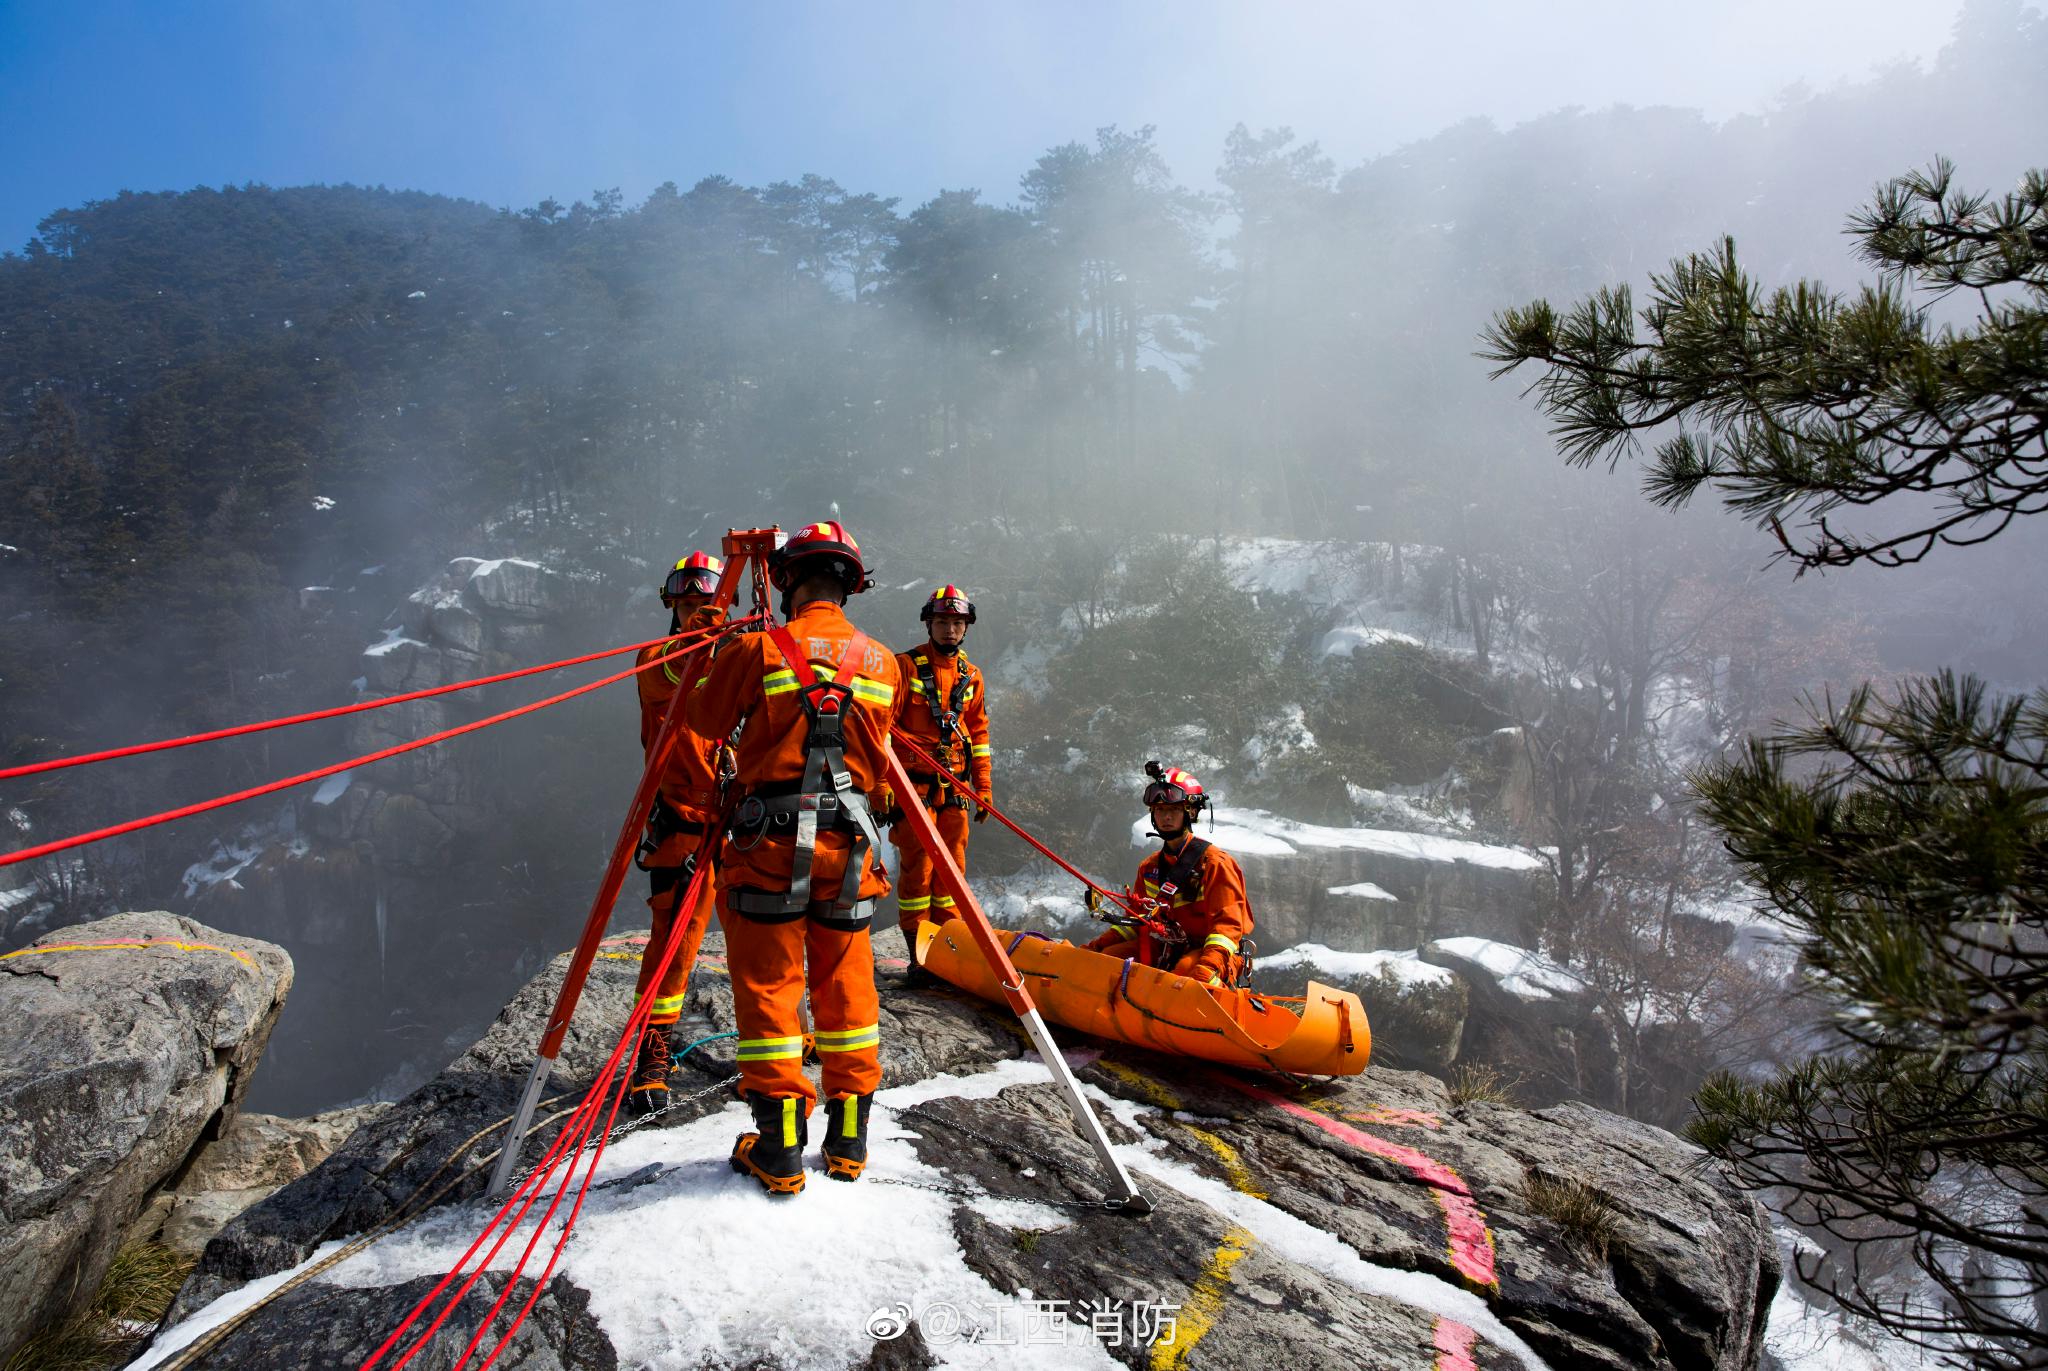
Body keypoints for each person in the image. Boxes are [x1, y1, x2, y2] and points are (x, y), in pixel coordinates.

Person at [685, 520, 900, 1195]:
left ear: (785, 582)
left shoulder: (756, 649)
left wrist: (712, 644)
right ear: (849, 585)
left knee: (770, 989)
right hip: (848, 852)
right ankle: (848, 1141)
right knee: (847, 987)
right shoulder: (883, 662)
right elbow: (877, 753)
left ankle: (779, 1148)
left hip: (769, 849)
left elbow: (702, 720)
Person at [627, 552, 728, 1115]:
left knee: (767, 937)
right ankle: (652, 1055)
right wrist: (703, 640)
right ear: (672, 607)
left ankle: (780, 1046)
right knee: (674, 942)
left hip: (744, 818)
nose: (694, 612)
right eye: (686, 604)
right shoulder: (659, 659)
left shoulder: (737, 658)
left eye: (703, 604)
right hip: (684, 824)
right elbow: (666, 676)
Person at [888, 585, 993, 954]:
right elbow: (882, 727)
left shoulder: (972, 675)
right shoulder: (904, 667)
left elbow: (978, 734)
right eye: (943, 622)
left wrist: (983, 788)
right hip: (912, 787)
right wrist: (883, 786)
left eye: (957, 623)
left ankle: (946, 949)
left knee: (953, 869)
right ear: (928, 624)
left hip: (955, 786)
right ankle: (917, 951)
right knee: (918, 869)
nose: (950, 630)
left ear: (966, 628)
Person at [1085, 762, 1252, 988]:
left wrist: (1208, 966)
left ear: (1191, 812)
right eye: (1160, 810)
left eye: (1174, 810)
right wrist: (1094, 948)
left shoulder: (1215, 864)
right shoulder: (1149, 867)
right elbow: (1136, 921)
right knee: (1107, 958)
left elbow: (1227, 927)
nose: (1166, 817)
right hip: (1167, 947)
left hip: (1212, 953)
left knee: (1186, 974)